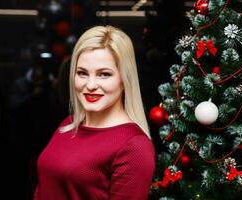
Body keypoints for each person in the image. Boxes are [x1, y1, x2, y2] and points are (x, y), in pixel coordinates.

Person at [33, 25, 155, 200]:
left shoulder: (134, 146)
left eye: (104, 74)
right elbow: (44, 188)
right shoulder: (69, 123)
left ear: (124, 79)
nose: (90, 85)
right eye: (82, 73)